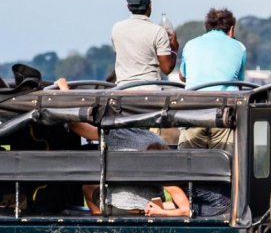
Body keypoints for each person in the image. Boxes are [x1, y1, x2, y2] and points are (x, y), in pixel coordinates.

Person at [55, 78, 189, 217]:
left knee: (88, 188)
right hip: (152, 207)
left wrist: (64, 90)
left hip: (120, 208)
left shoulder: (115, 134)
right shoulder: (157, 140)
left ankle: (100, 218)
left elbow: (76, 125)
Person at [178, 7, 246, 152]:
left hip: (192, 111)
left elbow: (182, 76)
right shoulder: (239, 47)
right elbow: (239, 83)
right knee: (225, 165)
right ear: (232, 29)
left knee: (188, 165)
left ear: (207, 27)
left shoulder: (191, 44)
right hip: (223, 113)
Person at [111, 0, 179, 87]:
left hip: (122, 91)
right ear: (150, 5)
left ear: (128, 7)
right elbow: (166, 69)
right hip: (150, 92)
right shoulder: (158, 31)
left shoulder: (116, 28)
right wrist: (174, 50)